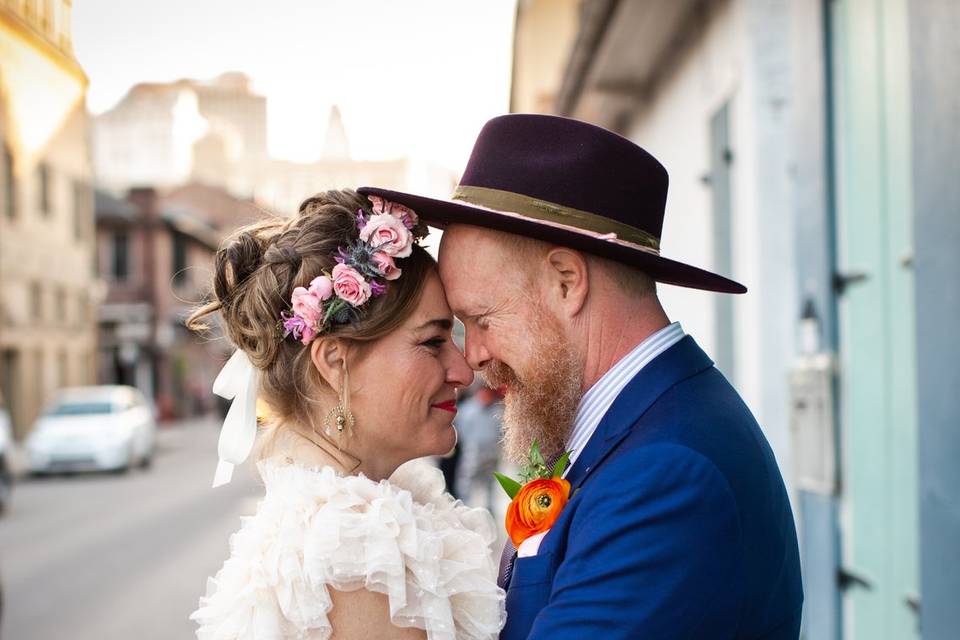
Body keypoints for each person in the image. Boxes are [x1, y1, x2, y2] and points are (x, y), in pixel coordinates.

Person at [359, 114, 803, 639]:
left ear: (567, 282)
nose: (473, 357)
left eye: (481, 319)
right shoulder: (631, 424)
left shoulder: (664, 475)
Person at [186, 190, 505, 639]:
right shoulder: (356, 555)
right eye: (433, 342)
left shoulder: (341, 524)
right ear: (335, 362)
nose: (463, 369)